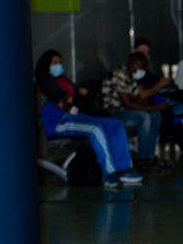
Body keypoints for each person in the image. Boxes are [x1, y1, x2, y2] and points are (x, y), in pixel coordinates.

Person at [35, 49, 142, 189]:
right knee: (94, 129)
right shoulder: (43, 78)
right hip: (58, 122)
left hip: (76, 116)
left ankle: (124, 169)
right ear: (46, 64)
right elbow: (65, 97)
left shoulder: (63, 80)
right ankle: (111, 173)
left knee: (115, 124)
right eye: (54, 63)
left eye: (60, 63)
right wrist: (71, 97)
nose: (58, 66)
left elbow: (77, 95)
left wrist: (74, 97)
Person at [101, 52, 169, 167]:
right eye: (142, 68)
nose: (143, 71)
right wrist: (154, 106)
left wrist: (147, 104)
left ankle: (150, 155)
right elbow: (127, 104)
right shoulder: (120, 75)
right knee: (144, 116)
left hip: (126, 110)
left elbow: (137, 97)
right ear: (134, 65)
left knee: (155, 115)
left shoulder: (131, 75)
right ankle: (143, 159)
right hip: (113, 112)